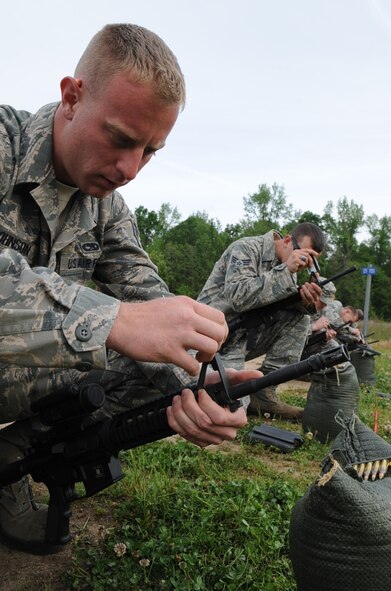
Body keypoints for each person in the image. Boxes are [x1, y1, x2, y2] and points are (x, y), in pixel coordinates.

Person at [0, 24, 260, 554]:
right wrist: (112, 320)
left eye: (149, 151)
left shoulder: (107, 207)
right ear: (72, 96)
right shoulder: (5, 144)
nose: (130, 169)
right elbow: (125, 317)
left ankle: (9, 461)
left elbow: (151, 304)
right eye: (120, 139)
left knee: (153, 364)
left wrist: (205, 381)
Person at [198, 223, 325, 420]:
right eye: (303, 255)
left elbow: (276, 308)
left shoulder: (286, 269)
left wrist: (306, 300)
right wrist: (285, 272)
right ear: (288, 240)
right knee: (229, 407)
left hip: (240, 340)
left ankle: (263, 391)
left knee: (300, 319)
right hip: (209, 338)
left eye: (310, 262)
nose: (302, 264)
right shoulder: (246, 248)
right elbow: (239, 298)